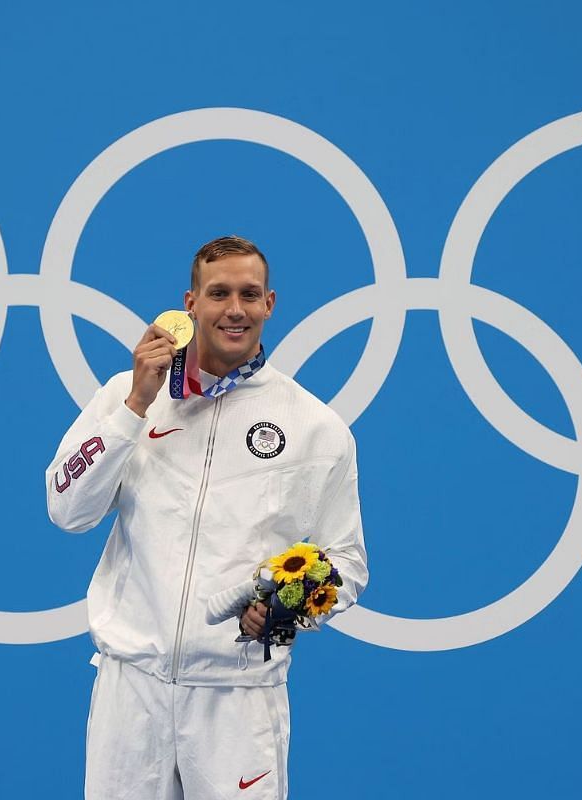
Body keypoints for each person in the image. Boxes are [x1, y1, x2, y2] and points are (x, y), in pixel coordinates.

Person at [46, 235, 368, 800]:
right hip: (132, 689)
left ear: (271, 304)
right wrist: (133, 409)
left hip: (237, 696)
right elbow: (67, 509)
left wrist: (282, 614)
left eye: (249, 294)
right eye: (218, 293)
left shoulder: (317, 428)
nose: (235, 309)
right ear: (190, 304)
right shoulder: (129, 396)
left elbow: (347, 565)